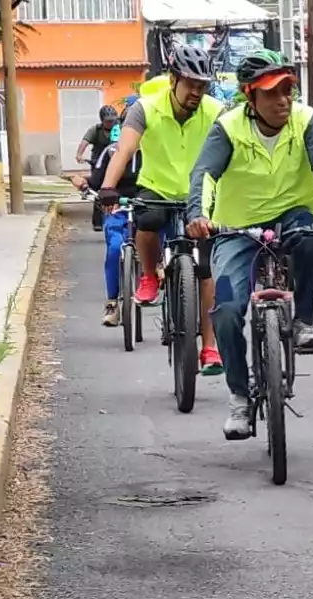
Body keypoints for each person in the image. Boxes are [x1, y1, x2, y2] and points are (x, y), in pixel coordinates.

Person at [183, 49, 313, 440]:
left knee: (312, 238)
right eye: (272, 93)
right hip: (236, 227)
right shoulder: (228, 128)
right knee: (224, 310)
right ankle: (240, 398)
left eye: (288, 90)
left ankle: (304, 320)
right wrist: (198, 215)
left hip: (293, 213)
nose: (283, 100)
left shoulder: (307, 121)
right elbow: (204, 174)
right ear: (249, 96)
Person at [98, 45, 225, 375]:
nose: (197, 92)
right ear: (173, 80)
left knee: (206, 266)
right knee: (149, 218)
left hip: (201, 192)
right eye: (190, 84)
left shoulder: (217, 111)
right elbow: (125, 150)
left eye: (202, 85)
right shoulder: (145, 109)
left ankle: (210, 348)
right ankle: (149, 274)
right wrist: (109, 188)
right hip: (157, 185)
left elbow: (235, 154)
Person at [69, 143, 141, 326]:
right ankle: (112, 304)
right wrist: (82, 183)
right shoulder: (110, 152)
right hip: (116, 211)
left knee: (158, 226)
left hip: (145, 208)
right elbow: (96, 182)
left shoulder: (155, 149)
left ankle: (158, 266)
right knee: (115, 248)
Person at [81, 106, 120, 230]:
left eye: (112, 120)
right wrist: (79, 154)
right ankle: (97, 222)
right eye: (107, 121)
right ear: (102, 120)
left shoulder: (120, 128)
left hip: (115, 162)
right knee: (97, 191)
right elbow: (85, 141)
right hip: (98, 163)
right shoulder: (95, 130)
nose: (110, 123)